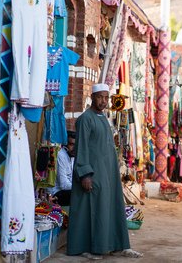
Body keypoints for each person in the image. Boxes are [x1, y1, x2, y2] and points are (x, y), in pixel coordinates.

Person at [67, 83, 142, 259]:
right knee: (92, 210)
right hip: (93, 173)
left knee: (112, 208)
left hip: (108, 174)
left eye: (106, 97)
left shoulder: (103, 117)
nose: (103, 101)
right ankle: (89, 248)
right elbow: (82, 148)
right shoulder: (86, 119)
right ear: (93, 97)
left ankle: (119, 246)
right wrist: (85, 174)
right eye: (100, 97)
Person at [48, 131, 76, 206]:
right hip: (56, 193)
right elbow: (63, 185)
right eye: (71, 144)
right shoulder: (61, 155)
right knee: (79, 195)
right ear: (65, 145)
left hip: (67, 190)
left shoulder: (72, 155)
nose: (74, 148)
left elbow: (71, 178)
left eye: (76, 145)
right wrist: (78, 187)